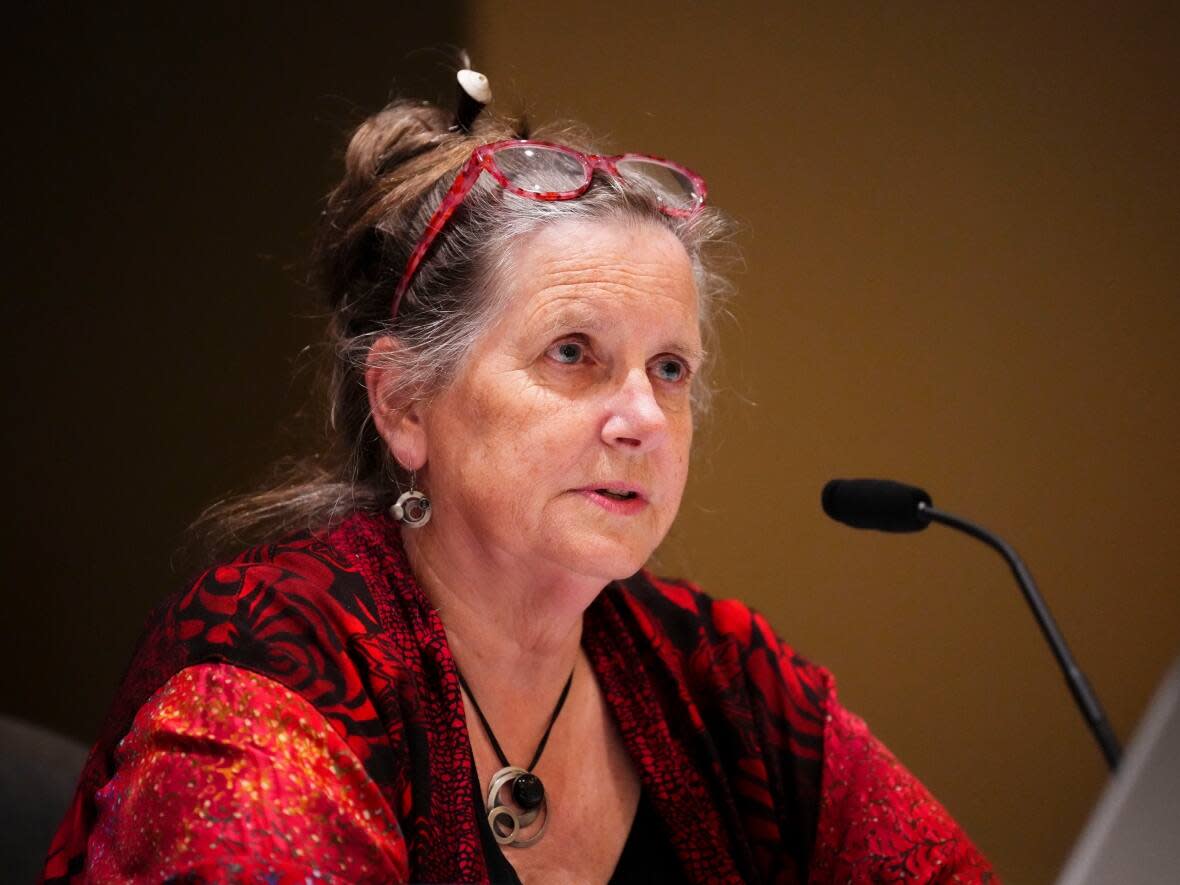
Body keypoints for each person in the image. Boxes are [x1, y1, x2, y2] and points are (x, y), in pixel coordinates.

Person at [43, 66, 996, 884]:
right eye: (573, 353)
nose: (642, 419)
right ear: (406, 407)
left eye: (670, 370)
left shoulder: (723, 675)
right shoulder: (269, 679)